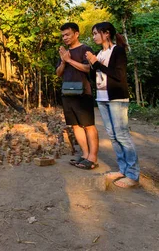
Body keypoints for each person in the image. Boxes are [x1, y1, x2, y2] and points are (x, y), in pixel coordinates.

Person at [85, 22, 140, 188]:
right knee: (113, 135)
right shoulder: (99, 53)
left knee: (122, 135)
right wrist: (92, 64)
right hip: (102, 98)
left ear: (106, 33)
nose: (93, 36)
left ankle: (132, 174)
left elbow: (118, 75)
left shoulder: (118, 51)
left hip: (117, 98)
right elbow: (96, 75)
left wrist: (96, 63)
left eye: (96, 33)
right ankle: (122, 169)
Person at [56, 22, 99, 170]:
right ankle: (85, 155)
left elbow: (88, 68)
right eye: (63, 36)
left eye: (67, 34)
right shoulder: (64, 53)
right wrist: (63, 61)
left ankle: (93, 158)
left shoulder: (85, 49)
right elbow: (58, 73)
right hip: (67, 92)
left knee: (88, 125)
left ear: (76, 34)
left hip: (83, 92)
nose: (65, 38)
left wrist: (69, 60)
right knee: (75, 125)